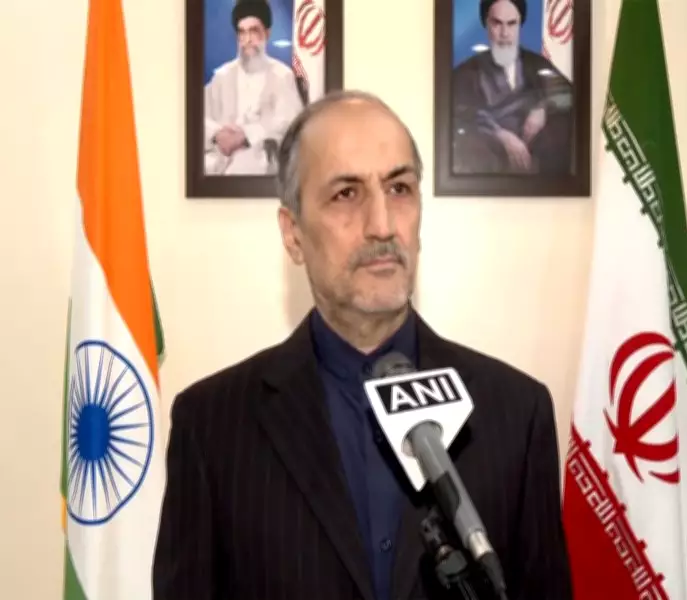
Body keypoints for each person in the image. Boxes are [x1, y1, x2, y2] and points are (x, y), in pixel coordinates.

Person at [152, 90, 573, 600]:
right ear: (293, 234)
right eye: (346, 194)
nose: (382, 225)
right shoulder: (212, 427)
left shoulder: (516, 414)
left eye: (399, 188)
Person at [452, 0, 573, 175]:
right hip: (489, 170)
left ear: (519, 25)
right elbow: (460, 113)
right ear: (486, 24)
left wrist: (543, 108)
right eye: (497, 23)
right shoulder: (466, 73)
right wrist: (500, 135)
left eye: (511, 24)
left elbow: (567, 95)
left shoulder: (537, 65)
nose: (504, 33)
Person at [204, 0, 304, 176]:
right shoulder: (222, 76)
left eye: (254, 31)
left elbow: (289, 123)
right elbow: (200, 117)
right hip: (220, 160)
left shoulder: (282, 75)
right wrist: (217, 134)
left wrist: (245, 136)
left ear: (267, 33)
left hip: (260, 161)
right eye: (242, 33)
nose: (247, 40)